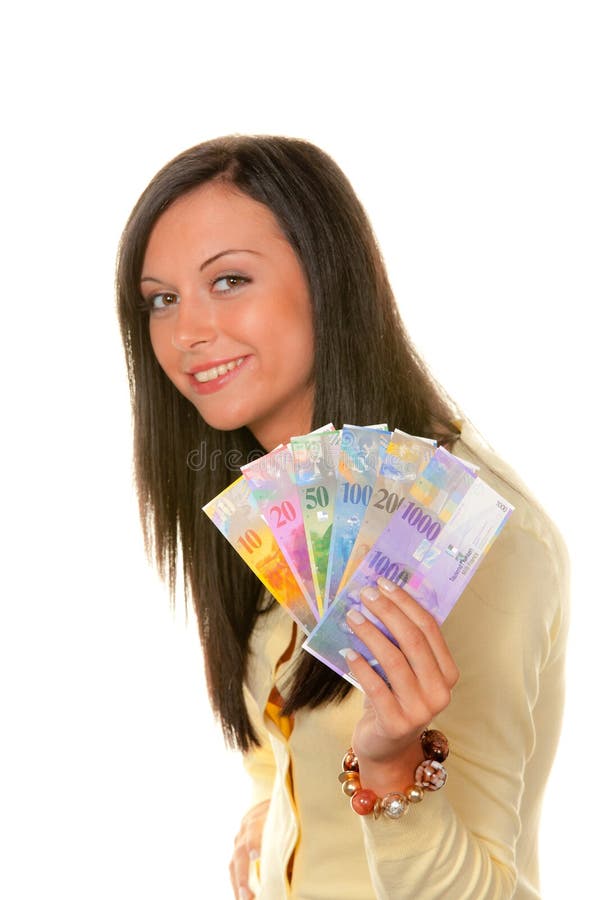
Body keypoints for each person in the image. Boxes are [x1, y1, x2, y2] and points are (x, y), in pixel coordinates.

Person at [116, 135, 569, 899]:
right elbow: (285, 715)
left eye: (228, 280)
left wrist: (390, 770)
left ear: (328, 281)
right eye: (162, 299)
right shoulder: (274, 496)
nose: (184, 333)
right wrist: (278, 804)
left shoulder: (477, 543)